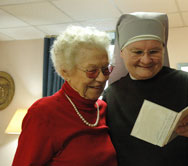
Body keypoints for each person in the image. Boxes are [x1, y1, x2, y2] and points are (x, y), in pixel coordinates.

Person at [103, 12, 188, 166]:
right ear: (122, 53)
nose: (146, 60)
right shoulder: (111, 95)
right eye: (137, 52)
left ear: (163, 50)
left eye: (154, 51)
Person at [12, 26, 117, 166]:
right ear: (66, 71)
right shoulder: (43, 113)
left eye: (105, 69)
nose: (102, 78)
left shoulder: (102, 108)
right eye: (92, 71)